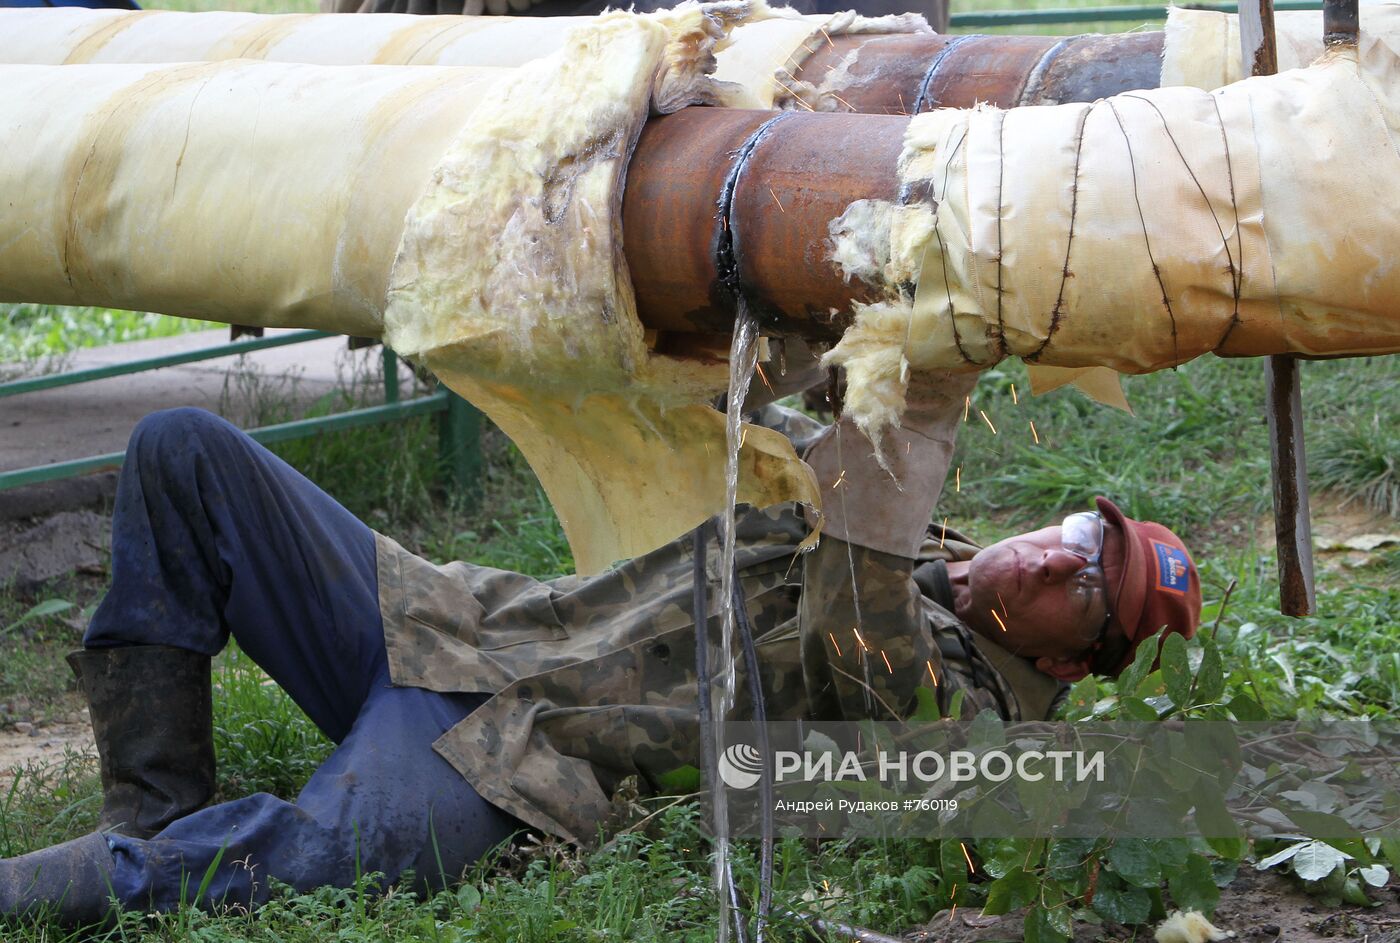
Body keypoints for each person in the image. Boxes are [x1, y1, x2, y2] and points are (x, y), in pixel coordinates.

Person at [0, 367, 1200, 925]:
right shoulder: (918, 541)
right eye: (1075, 535)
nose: (1052, 560)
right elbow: (766, 427)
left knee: (313, 860)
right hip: (457, 622)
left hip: (516, 755)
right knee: (184, 447)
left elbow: (854, 615)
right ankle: (153, 810)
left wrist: (909, 410)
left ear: (1069, 661)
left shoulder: (966, 721)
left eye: (1084, 589)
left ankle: (75, 885)